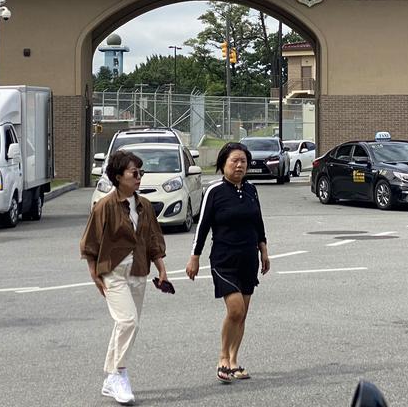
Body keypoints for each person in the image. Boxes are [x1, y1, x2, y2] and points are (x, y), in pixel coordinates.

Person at [80, 150, 168, 406]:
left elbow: (152, 239)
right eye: (134, 173)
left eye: (141, 172)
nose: (139, 177)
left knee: (125, 325)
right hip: (113, 272)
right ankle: (119, 374)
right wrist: (94, 274)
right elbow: (90, 243)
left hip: (139, 270)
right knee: (129, 322)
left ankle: (111, 378)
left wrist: (161, 268)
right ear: (119, 177)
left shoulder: (145, 205)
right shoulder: (105, 206)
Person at [186, 142, 270, 384]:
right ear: (223, 164)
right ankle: (222, 358)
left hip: (248, 259)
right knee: (235, 309)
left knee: (242, 315)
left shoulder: (252, 190)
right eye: (234, 160)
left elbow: (258, 223)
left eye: (243, 161)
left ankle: (234, 361)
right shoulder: (214, 191)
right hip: (223, 260)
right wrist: (195, 257)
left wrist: (264, 250)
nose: (240, 165)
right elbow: (202, 227)